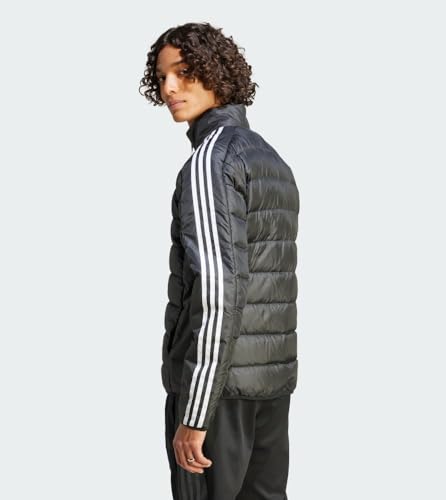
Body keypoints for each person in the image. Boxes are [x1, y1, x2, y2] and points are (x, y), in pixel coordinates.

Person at [139, 21, 300, 500]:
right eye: (162, 76)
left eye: (183, 72)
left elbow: (218, 292)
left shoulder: (212, 161)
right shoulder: (269, 159)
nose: (169, 88)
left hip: (219, 394)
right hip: (270, 386)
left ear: (215, 73)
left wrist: (196, 412)